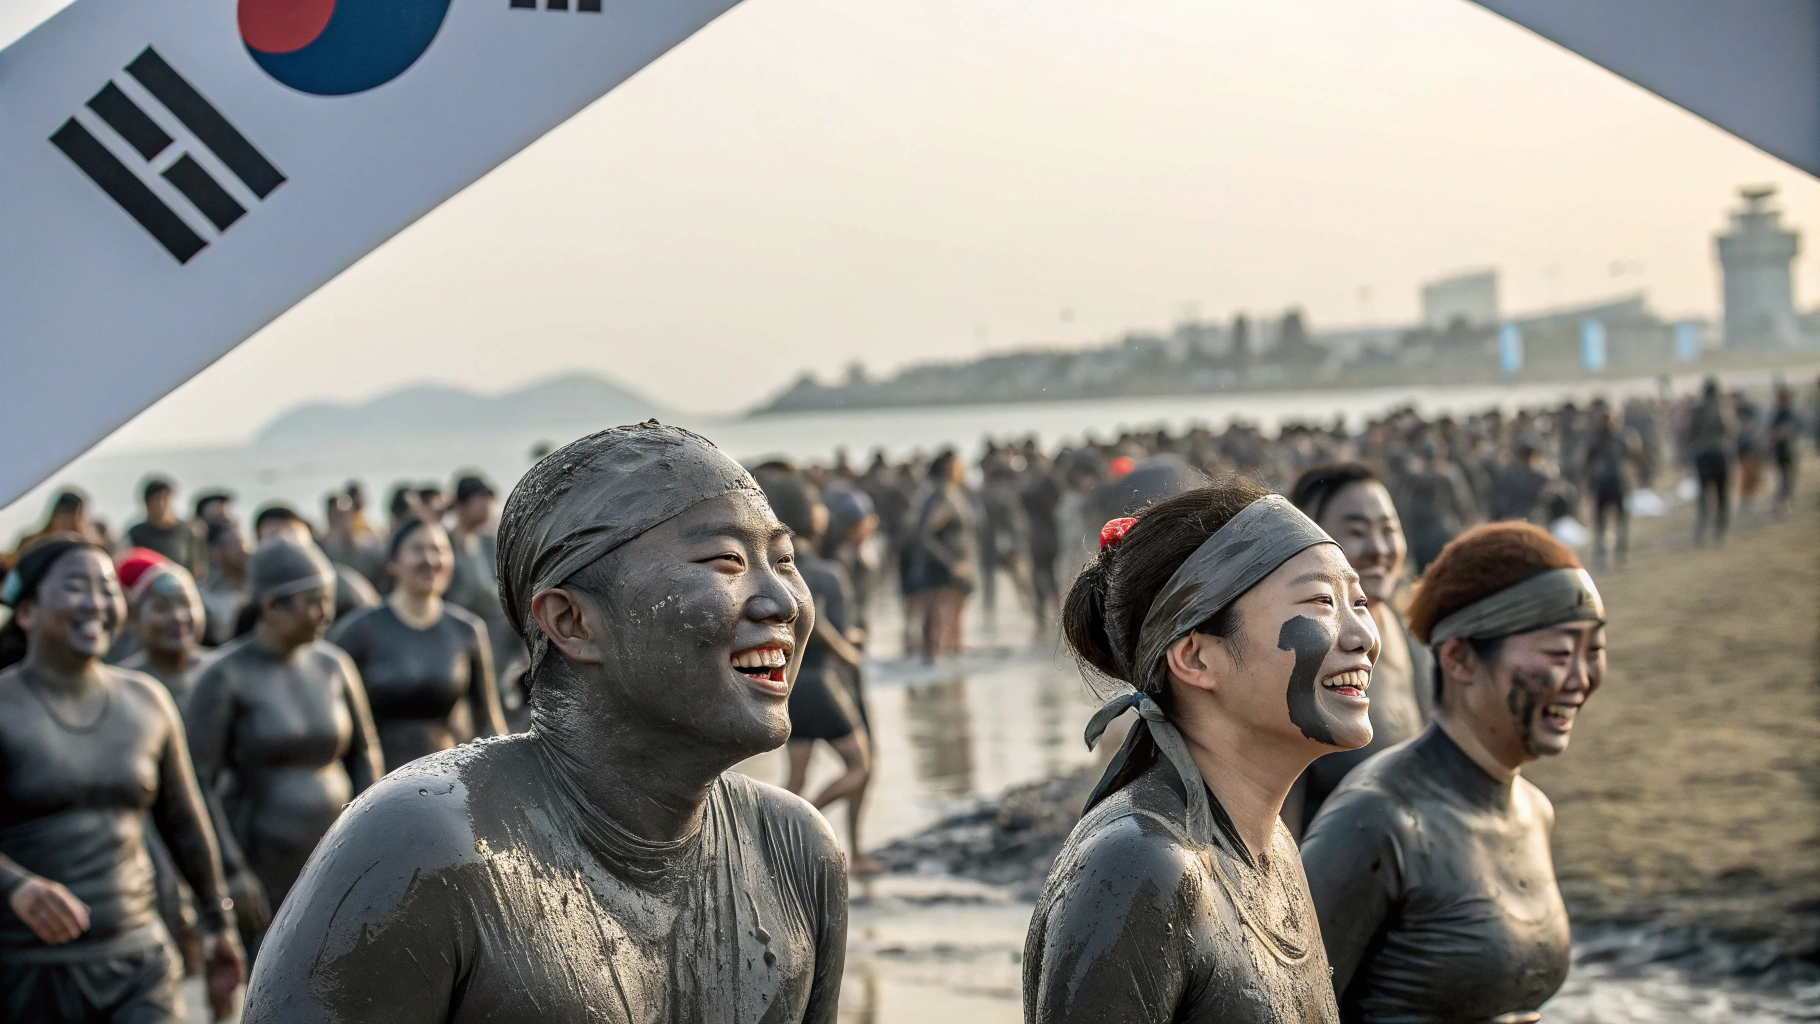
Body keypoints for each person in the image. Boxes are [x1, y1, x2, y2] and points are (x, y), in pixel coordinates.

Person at [242, 421, 847, 1023]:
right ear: (572, 622)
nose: (785, 602)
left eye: (785, 559)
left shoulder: (795, 852)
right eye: (728, 561)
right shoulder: (426, 851)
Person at [1023, 483, 1378, 1023]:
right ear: (1196, 658)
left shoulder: (1272, 846)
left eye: (1359, 602)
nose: (1363, 637)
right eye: (1322, 603)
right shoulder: (1140, 865)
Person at [1301, 522, 1604, 1023]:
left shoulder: (1535, 810)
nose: (1582, 679)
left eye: (1593, 652)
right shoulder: (1377, 820)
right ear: (1460, 658)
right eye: (1558, 653)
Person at [0, 537, 245, 1023]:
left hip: (139, 961)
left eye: (108, 588)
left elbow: (185, 824)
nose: (96, 602)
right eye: (76, 587)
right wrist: (15, 886)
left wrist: (220, 924)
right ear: (26, 611)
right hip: (26, 970)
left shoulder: (146, 702)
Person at [185, 537, 382, 955]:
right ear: (273, 606)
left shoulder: (334, 666)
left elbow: (365, 756)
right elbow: (197, 785)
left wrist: (372, 836)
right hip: (265, 865)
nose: (327, 614)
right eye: (316, 601)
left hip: (339, 858)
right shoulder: (224, 676)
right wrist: (232, 872)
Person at [1283, 464, 1430, 838]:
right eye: (1358, 532)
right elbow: (1276, 830)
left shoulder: (1412, 632)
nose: (1379, 549)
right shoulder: (1302, 660)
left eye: (1389, 530)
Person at [760, 474, 878, 875]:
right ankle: (807, 826)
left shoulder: (768, 572)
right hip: (824, 681)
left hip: (786, 684)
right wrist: (852, 645)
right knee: (862, 766)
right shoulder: (826, 573)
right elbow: (835, 631)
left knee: (794, 776)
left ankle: (769, 844)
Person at [327, 518, 506, 774]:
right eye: (418, 549)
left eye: (440, 550)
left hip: (446, 782)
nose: (431, 560)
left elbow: (488, 722)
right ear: (393, 562)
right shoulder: (358, 631)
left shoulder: (467, 630)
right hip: (375, 783)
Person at [444, 474, 529, 730]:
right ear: (461, 505)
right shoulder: (444, 543)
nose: (486, 508)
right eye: (479, 501)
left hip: (500, 643)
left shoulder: (489, 542)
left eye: (489, 501)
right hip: (459, 642)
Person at [253, 504, 380, 622]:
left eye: (290, 537)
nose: (285, 548)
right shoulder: (251, 596)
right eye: (273, 539)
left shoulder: (345, 587)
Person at [913, 450, 977, 660]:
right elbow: (926, 534)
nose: (964, 468)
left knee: (952, 628)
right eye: (960, 464)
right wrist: (951, 563)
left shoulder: (954, 492)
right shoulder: (942, 496)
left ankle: (952, 680)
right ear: (950, 467)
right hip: (942, 570)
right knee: (937, 627)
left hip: (954, 568)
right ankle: (935, 677)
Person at [1581, 409, 1644, 566]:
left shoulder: (1622, 437)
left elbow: (1634, 456)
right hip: (1603, 484)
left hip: (1618, 483)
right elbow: (1587, 464)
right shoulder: (1596, 440)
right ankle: (1601, 551)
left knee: (1620, 519)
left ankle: (1621, 550)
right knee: (1601, 520)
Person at [1686, 377, 1733, 545]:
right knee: (1722, 496)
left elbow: (1690, 433)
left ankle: (1701, 532)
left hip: (1703, 455)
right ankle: (1720, 532)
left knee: (1703, 496)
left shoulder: (1697, 409)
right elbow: (1729, 429)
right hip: (1719, 454)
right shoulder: (1723, 408)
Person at [126, 478, 204, 576]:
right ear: (147, 504)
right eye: (157, 498)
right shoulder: (135, 533)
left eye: (166, 498)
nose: (162, 504)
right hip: (148, 587)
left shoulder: (187, 531)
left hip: (180, 586)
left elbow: (197, 570)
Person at [197, 520, 249, 647]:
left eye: (244, 542)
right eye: (234, 544)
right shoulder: (205, 597)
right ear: (215, 551)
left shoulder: (260, 586)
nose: (244, 549)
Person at [1769, 383, 1801, 515]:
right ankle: (1782, 503)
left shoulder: (1789, 412)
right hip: (1781, 451)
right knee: (1783, 479)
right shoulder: (1778, 413)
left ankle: (1785, 503)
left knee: (1788, 478)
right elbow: (1771, 433)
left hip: (1789, 450)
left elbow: (1792, 429)